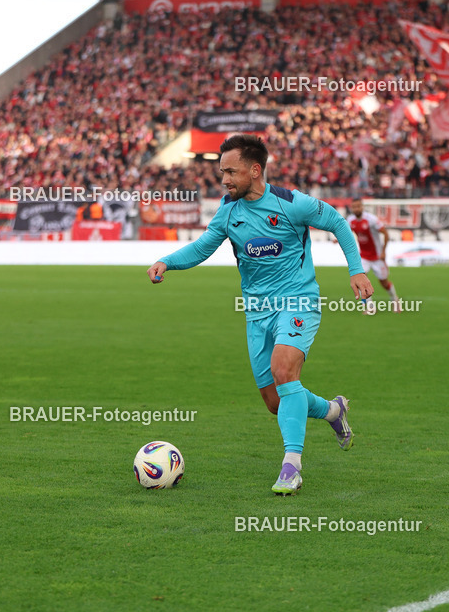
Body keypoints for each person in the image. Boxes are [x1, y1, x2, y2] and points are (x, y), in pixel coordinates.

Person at [146, 134, 373, 495]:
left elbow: (338, 223)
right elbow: (204, 247)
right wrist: (167, 262)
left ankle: (291, 467)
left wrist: (356, 269)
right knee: (275, 401)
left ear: (255, 170)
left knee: (285, 371)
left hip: (298, 301)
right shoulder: (229, 211)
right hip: (256, 313)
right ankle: (333, 411)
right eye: (222, 172)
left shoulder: (291, 204)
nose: (224, 180)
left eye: (231, 172)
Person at [347, 197, 400, 314]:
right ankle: (370, 307)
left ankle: (395, 300)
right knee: (361, 279)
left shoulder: (371, 219)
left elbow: (385, 233)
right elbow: (347, 232)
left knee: (384, 282)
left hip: (377, 257)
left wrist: (383, 251)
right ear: (352, 208)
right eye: (354, 207)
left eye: (358, 206)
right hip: (364, 257)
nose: (356, 209)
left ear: (362, 207)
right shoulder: (350, 220)